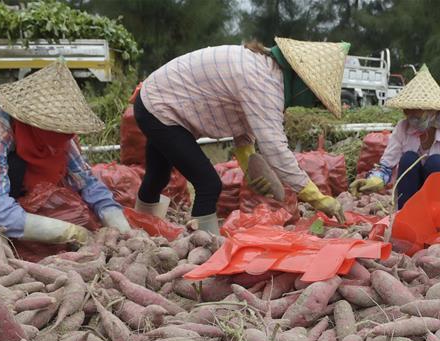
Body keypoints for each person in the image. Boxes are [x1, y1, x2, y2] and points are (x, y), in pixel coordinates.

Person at [133, 38, 349, 234]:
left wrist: (249, 166)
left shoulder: (264, 69)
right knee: (208, 184)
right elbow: (276, 149)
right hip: (161, 109)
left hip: (154, 100)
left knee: (158, 174)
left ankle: (142, 230)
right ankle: (202, 247)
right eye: (313, 98)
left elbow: (243, 124)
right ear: (303, 85)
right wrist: (317, 198)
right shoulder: (265, 84)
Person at [0, 62, 129, 244]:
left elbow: (87, 182)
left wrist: (116, 220)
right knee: (17, 166)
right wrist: (70, 232)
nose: (61, 136)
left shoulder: (59, 136)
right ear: (31, 119)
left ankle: (12, 229)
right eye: (53, 127)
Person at [349, 66, 440, 209]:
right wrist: (373, 180)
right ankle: (407, 214)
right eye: (407, 110)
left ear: (434, 110)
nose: (409, 114)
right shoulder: (403, 128)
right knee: (409, 158)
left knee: (436, 162)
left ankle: (436, 218)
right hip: (411, 194)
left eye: (416, 109)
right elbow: (386, 167)